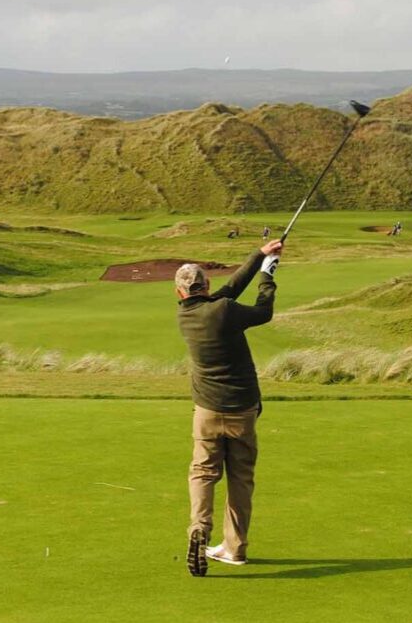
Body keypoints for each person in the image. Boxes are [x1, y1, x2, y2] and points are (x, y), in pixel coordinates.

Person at [175, 238, 283, 576]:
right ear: (206, 286)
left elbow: (228, 292)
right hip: (242, 411)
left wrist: (259, 255)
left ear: (181, 293)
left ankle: (199, 530)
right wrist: (268, 274)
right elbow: (263, 312)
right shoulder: (222, 309)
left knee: (203, 473)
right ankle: (234, 548)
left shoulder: (186, 314)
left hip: (206, 412)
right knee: (240, 478)